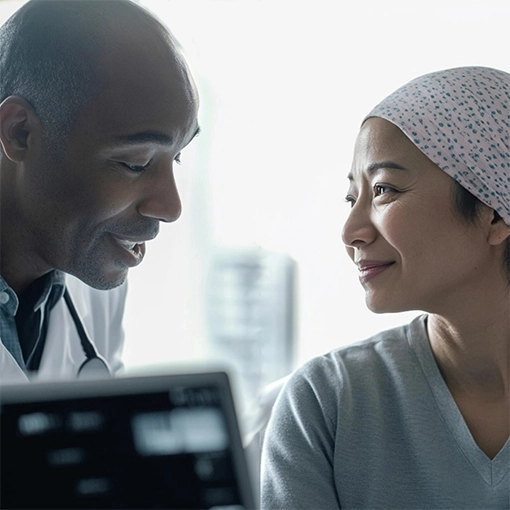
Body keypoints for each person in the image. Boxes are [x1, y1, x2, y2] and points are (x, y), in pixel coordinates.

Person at [261, 66, 510, 509]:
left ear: (494, 213)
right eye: (350, 197)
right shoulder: (326, 405)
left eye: (383, 190)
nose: (350, 230)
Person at [0, 0, 200, 383]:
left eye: (176, 158)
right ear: (19, 132)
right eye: (136, 163)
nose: (171, 208)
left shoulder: (93, 279)